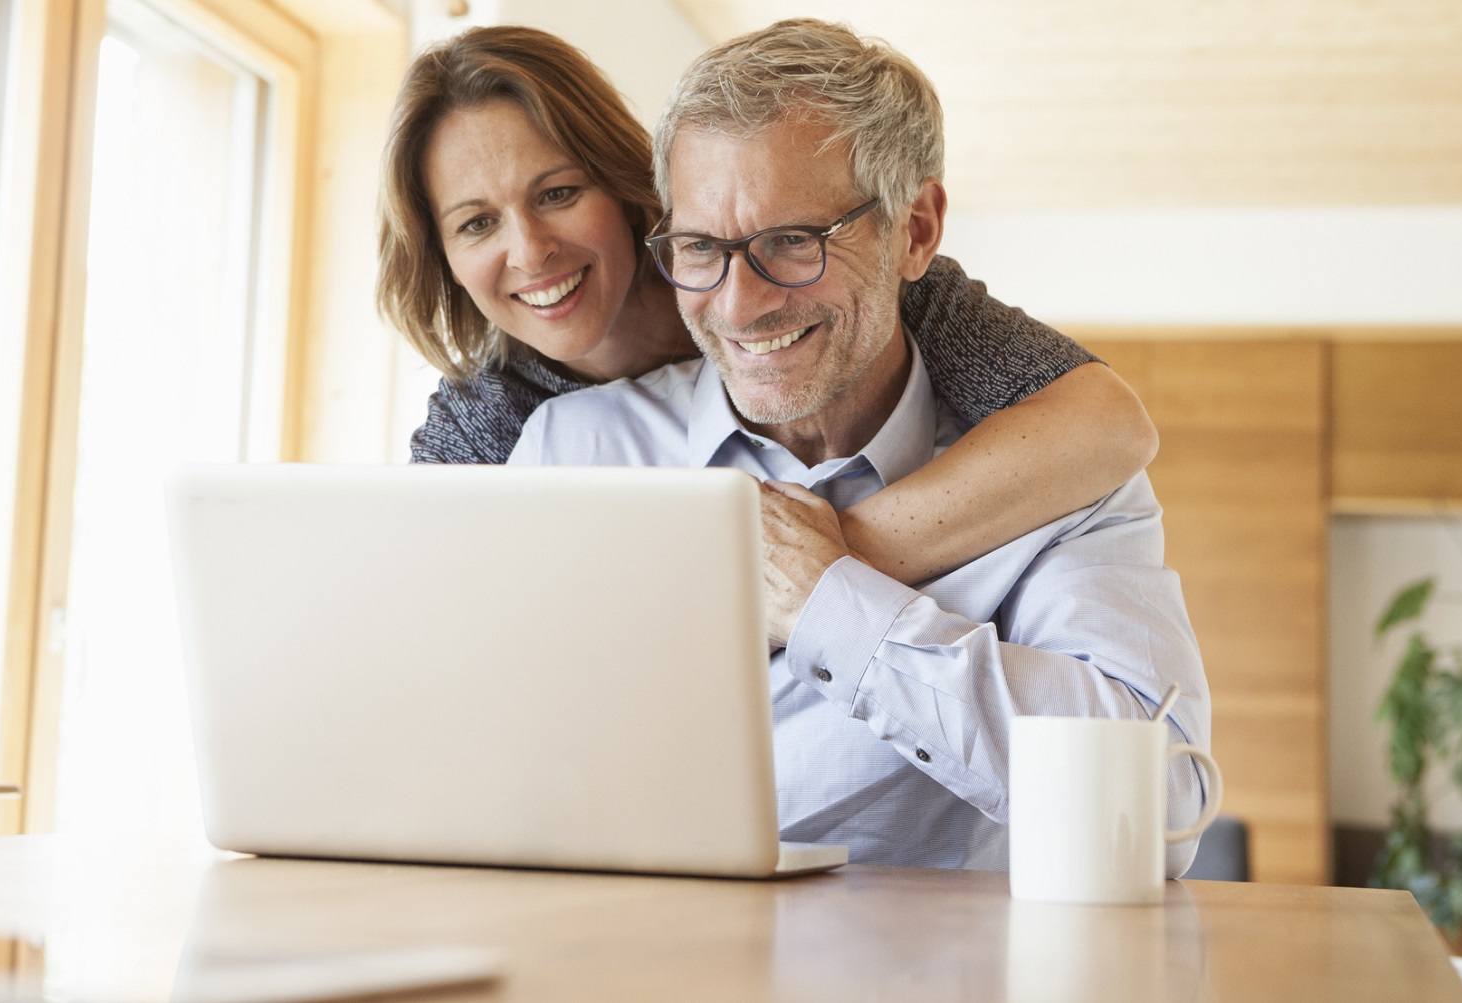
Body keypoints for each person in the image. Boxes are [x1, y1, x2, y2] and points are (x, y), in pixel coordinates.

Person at [509, 18, 1211, 876]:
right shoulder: (574, 451)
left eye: (792, 242)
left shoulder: (1066, 483)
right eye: (700, 248)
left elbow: (1156, 809)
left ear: (915, 230)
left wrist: (833, 608)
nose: (738, 306)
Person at [376, 26, 1157, 593]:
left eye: (557, 193)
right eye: (476, 222)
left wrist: (823, 565)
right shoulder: (490, 419)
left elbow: (1108, 424)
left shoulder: (879, 288)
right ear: (440, 254)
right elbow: (419, 600)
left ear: (624, 187)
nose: (530, 250)